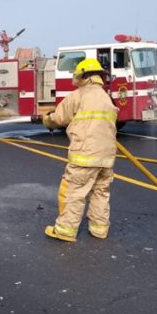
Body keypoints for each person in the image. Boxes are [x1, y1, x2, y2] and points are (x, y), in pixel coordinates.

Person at [33, 58, 119, 242]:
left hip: (85, 156)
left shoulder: (78, 95)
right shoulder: (106, 97)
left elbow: (59, 118)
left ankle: (65, 230)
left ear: (83, 77)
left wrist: (46, 120)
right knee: (100, 192)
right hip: (107, 157)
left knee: (74, 191)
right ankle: (99, 229)